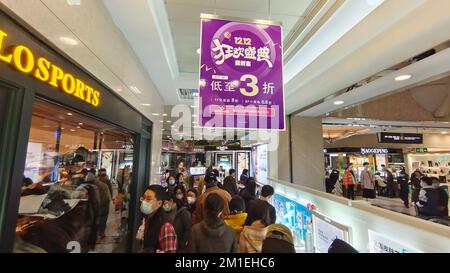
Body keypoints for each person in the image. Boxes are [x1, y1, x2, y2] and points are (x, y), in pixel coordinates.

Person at [140, 185, 177, 253]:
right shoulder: (149, 218)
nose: (144, 202)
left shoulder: (166, 225)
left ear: (159, 203)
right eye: (143, 198)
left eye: (148, 199)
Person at [87, 172, 111, 239]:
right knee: (103, 218)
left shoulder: (90, 186)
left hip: (97, 204)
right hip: (104, 203)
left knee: (95, 218)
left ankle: (95, 232)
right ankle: (101, 232)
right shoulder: (104, 185)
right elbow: (108, 195)